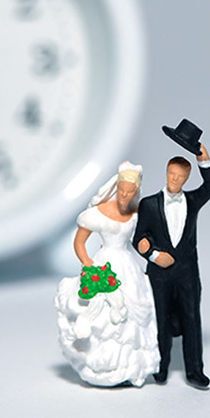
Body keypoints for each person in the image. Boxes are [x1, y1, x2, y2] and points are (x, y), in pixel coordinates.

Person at [54, 161, 160, 387]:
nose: (125, 195)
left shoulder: (136, 213)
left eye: (130, 192)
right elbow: (80, 242)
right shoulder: (99, 213)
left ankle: (130, 366)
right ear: (116, 188)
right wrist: (88, 263)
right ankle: (99, 362)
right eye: (122, 191)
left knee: (133, 312)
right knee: (101, 309)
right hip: (105, 263)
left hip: (128, 264)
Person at [133, 141, 210, 389]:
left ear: (186, 178)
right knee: (159, 319)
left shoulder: (192, 201)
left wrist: (203, 157)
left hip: (188, 274)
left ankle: (195, 370)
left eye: (180, 177)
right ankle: (160, 367)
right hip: (159, 274)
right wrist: (154, 255)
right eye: (172, 174)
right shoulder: (149, 204)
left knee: (192, 319)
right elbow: (138, 239)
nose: (175, 179)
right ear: (166, 173)